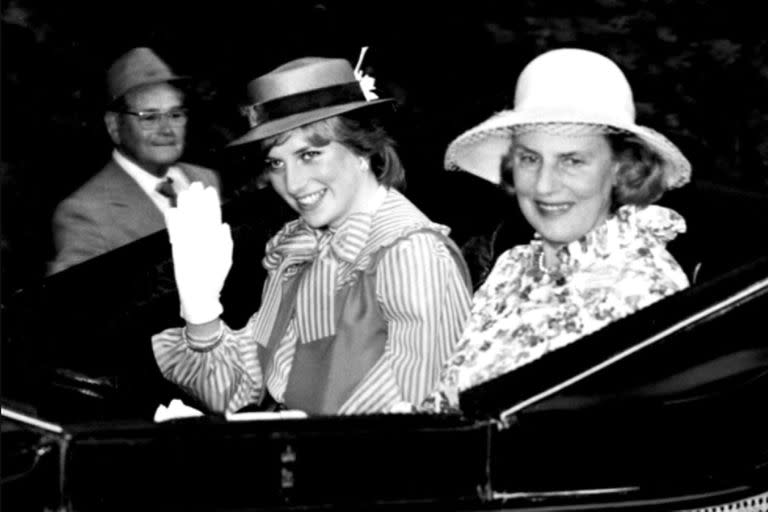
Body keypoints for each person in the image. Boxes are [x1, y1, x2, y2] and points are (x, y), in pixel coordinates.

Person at [152, 55, 472, 415]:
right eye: (276, 162)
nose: (292, 184)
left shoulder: (412, 254)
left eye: (309, 154)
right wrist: (201, 310)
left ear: (362, 150)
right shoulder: (300, 252)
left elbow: (417, 424)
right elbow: (237, 392)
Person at [421, 48, 692, 412]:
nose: (545, 186)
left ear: (619, 169)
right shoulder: (512, 266)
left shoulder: (644, 286)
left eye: (572, 161)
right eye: (530, 159)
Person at [48, 47, 220, 275]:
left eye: (175, 115)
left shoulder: (204, 179)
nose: (167, 129)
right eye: (149, 117)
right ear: (114, 126)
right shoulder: (85, 213)